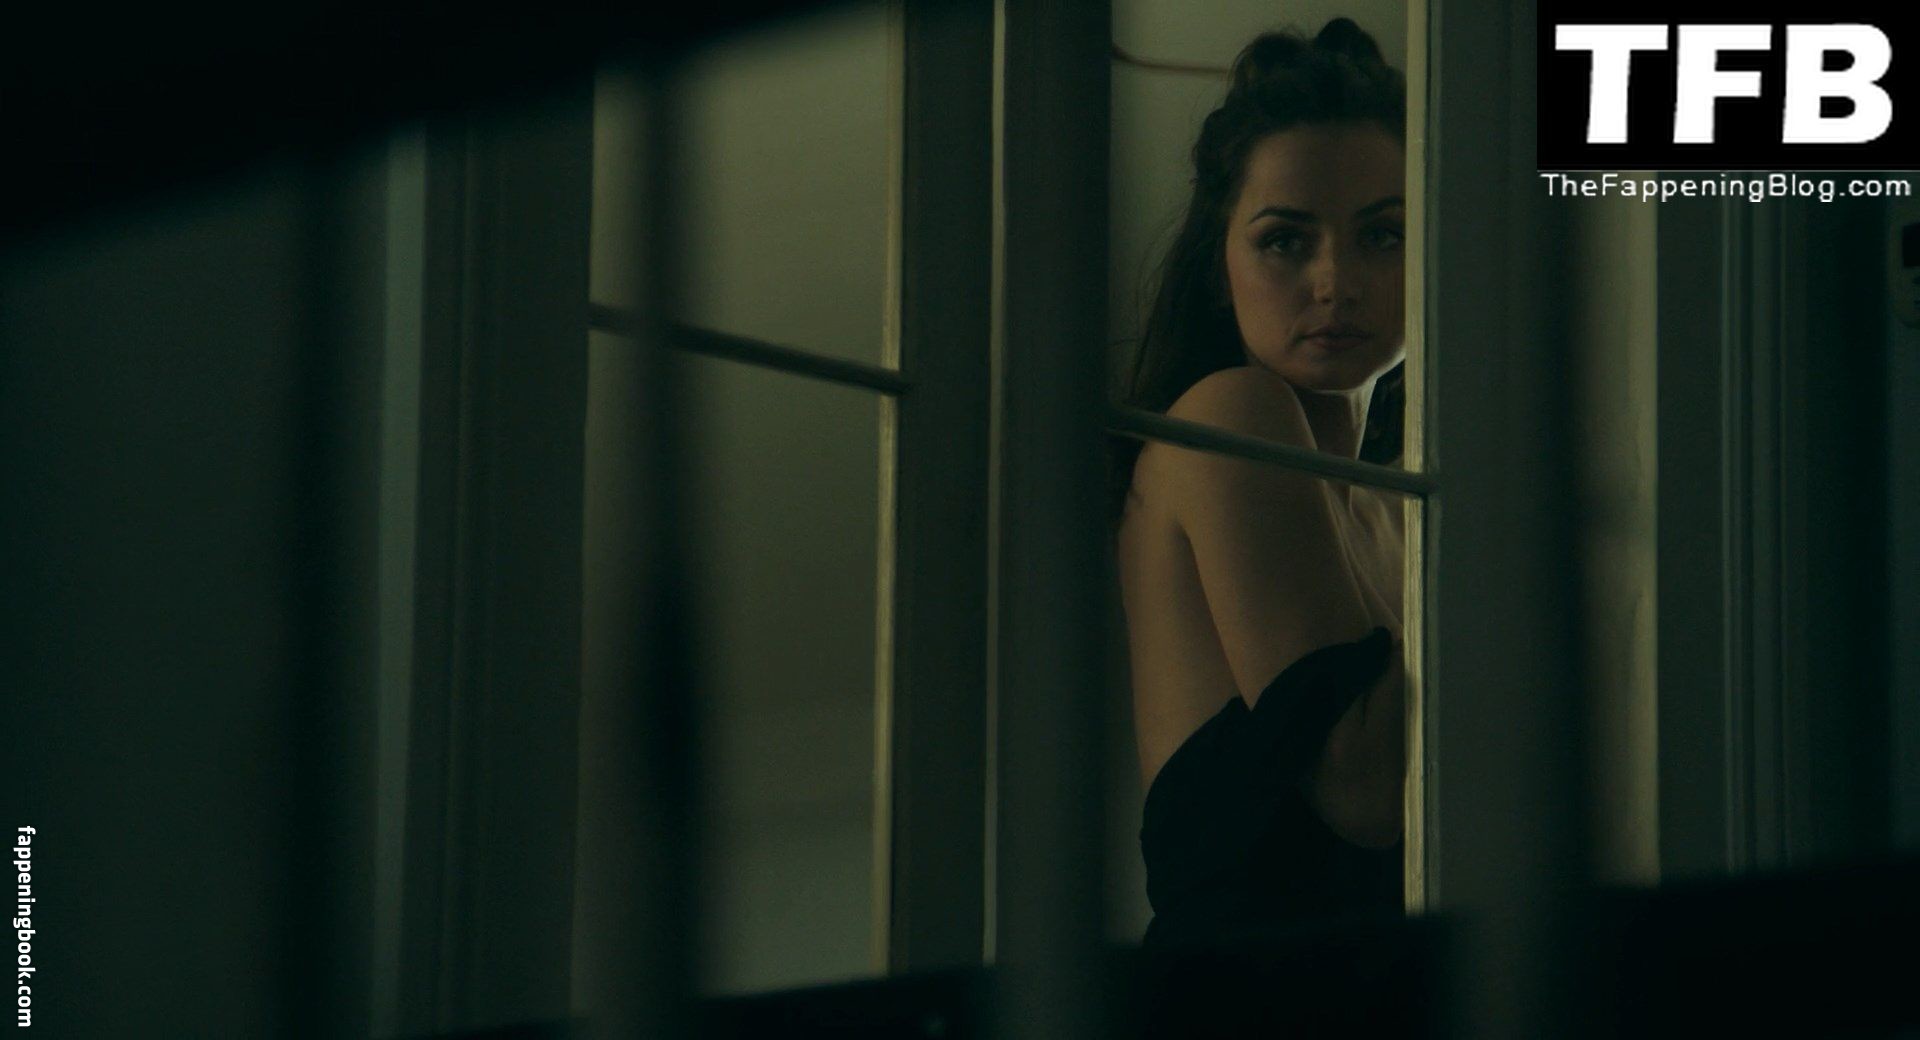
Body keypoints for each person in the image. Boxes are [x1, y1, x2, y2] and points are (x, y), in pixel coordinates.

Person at [1111, 17, 1410, 955]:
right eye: (1286, 241)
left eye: (1383, 234)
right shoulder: (1229, 413)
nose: (1336, 283)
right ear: (1221, 262)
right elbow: (1367, 791)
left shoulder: (1402, 501)